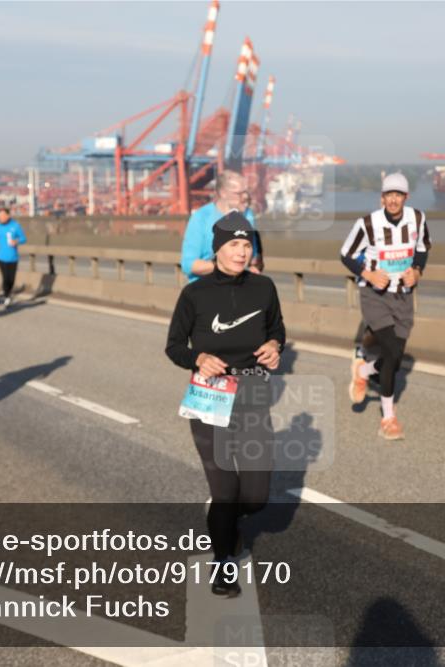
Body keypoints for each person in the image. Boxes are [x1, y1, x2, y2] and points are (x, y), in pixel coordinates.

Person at [166, 211, 285, 598]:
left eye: (247, 244)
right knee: (225, 491)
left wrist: (273, 346)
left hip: (251, 394)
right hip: (209, 394)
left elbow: (276, 329)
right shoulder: (194, 294)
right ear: (217, 249)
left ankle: (226, 519)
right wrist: (198, 359)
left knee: (255, 496)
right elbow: (174, 346)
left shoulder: (264, 288)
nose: (242, 251)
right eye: (234, 244)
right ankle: (223, 564)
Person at [339, 172, 430, 440]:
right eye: (389, 194)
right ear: (382, 197)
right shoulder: (367, 224)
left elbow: (423, 248)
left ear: (406, 197)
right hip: (374, 294)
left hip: (403, 294)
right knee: (390, 351)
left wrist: (417, 271)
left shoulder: (418, 218)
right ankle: (388, 419)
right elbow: (345, 254)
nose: (393, 199)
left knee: (396, 359)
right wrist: (367, 274)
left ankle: (364, 370)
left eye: (398, 195)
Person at [180, 170, 263, 282]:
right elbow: (188, 265)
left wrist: (254, 266)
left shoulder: (248, 215)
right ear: (223, 193)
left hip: (238, 289)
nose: (245, 197)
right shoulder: (201, 217)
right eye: (239, 193)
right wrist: (225, 266)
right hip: (205, 290)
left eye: (246, 192)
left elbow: (253, 257)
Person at [0, 207, 26, 308]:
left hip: (13, 257)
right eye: (0, 215)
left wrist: (16, 241)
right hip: (0, 257)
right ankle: (7, 296)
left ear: (8, 215)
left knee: (11, 279)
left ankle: (8, 292)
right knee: (5, 277)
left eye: (3, 215)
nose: (1, 217)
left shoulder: (15, 226)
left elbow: (23, 238)